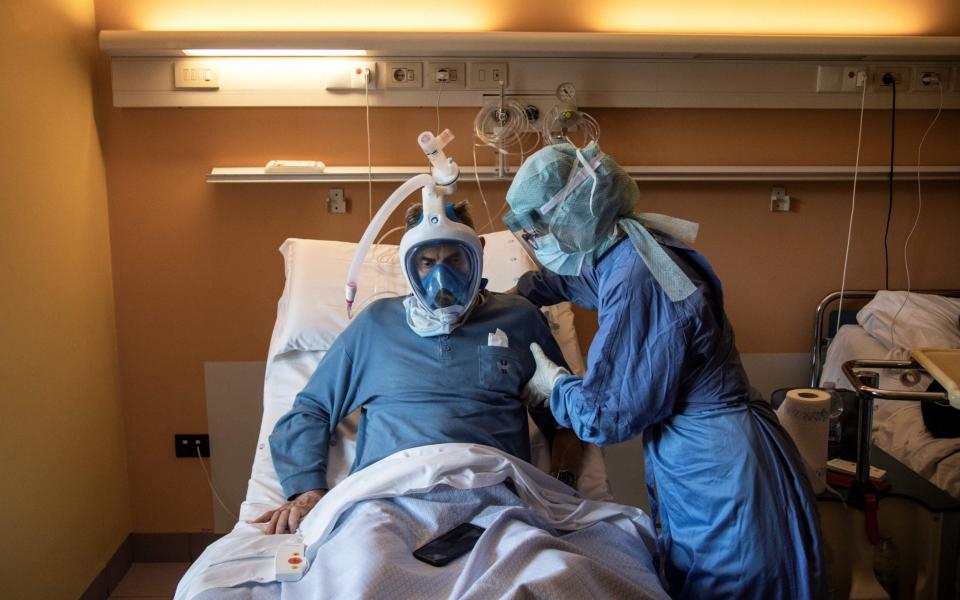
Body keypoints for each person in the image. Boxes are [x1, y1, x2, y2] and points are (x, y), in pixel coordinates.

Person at [503, 142, 826, 599]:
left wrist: (554, 385)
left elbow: (606, 415)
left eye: (537, 231)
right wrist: (525, 289)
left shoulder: (640, 276)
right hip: (715, 453)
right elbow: (589, 280)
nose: (535, 244)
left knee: (729, 584)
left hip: (718, 468)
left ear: (571, 216)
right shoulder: (631, 249)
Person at [255, 200, 582, 535]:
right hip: (387, 497)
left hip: (492, 496)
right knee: (361, 574)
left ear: (478, 251)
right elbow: (311, 410)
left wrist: (560, 487)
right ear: (408, 262)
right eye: (427, 262)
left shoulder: (519, 318)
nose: (443, 277)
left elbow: (568, 419)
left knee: (539, 573)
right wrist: (308, 490)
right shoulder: (375, 325)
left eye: (455, 259)